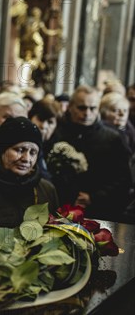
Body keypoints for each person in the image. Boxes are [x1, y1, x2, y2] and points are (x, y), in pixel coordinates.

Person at [54, 85, 132, 222]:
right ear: (70, 106)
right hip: (60, 208)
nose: (87, 113)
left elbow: (123, 180)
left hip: (99, 212)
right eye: (82, 108)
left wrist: (93, 198)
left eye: (92, 108)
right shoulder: (57, 133)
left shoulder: (113, 138)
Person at [0, 117, 59, 228]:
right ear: (1, 150)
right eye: (20, 150)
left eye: (33, 152)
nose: (26, 159)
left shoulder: (46, 190)